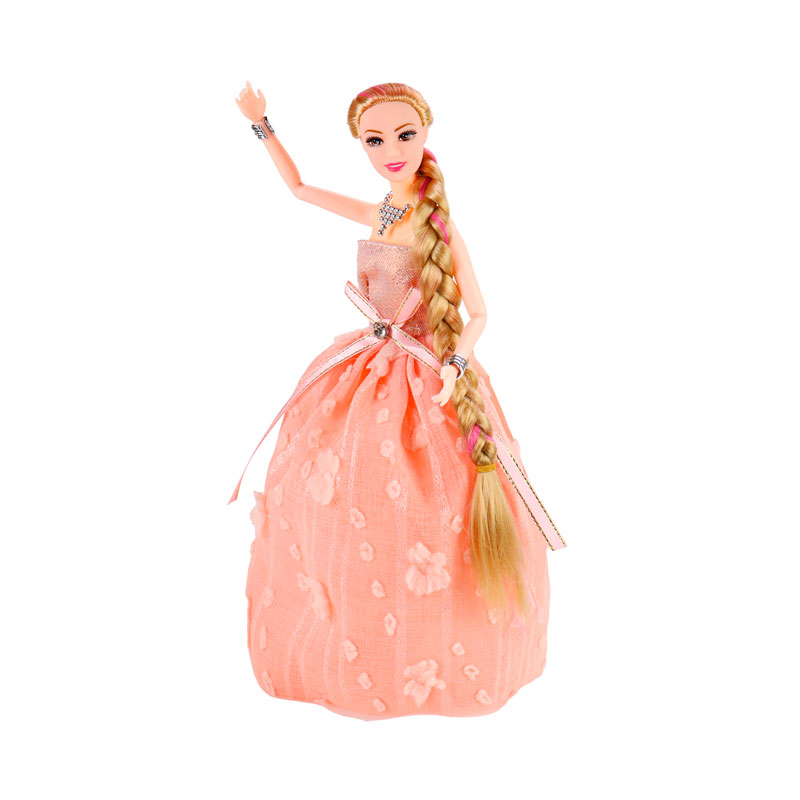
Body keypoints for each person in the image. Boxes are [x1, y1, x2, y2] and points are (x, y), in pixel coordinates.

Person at [230, 81, 565, 720]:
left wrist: (456, 362)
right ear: (360, 145)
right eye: (374, 140)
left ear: (426, 134)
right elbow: (299, 190)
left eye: (404, 135)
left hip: (429, 370)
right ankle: (354, 633)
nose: (391, 150)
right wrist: (262, 125)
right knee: (337, 489)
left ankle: (442, 647)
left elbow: (480, 312)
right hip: (367, 367)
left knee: (439, 502)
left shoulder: (440, 227)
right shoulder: (380, 213)